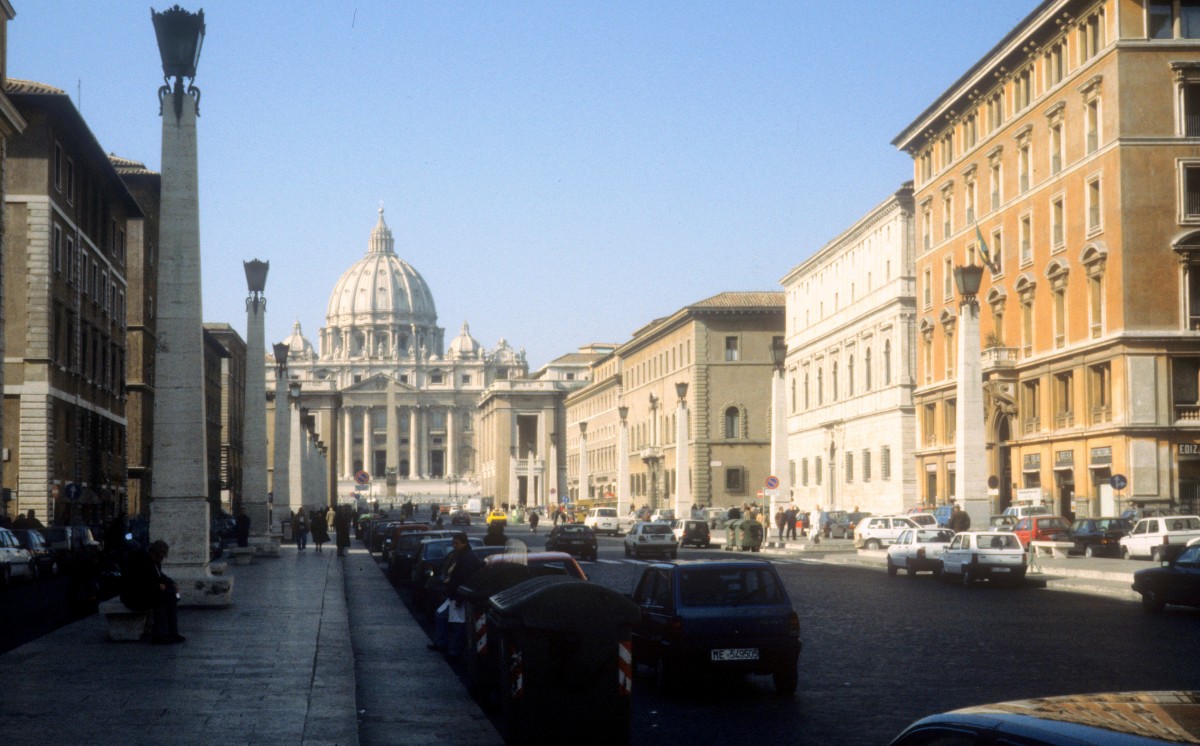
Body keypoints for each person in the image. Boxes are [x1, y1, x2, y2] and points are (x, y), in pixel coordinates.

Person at [428, 533, 483, 657]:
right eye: (453, 543)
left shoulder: (467, 558)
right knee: (442, 617)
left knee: (456, 624)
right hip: (454, 595)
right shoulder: (461, 555)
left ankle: (452, 650)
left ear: (464, 543)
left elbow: (464, 579)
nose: (454, 546)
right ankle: (444, 645)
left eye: (456, 543)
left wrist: (459, 597)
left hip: (459, 596)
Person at [120, 539, 184, 644]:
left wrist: (171, 583)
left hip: (149, 592)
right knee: (161, 599)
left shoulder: (154, 561)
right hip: (134, 595)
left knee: (172, 596)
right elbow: (137, 581)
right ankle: (159, 635)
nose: (161, 560)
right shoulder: (138, 559)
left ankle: (172, 632)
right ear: (153, 553)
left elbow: (159, 576)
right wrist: (157, 586)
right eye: (160, 557)